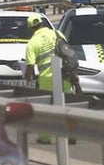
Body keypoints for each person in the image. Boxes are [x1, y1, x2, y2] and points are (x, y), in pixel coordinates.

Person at [23, 14, 74, 144]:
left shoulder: (32, 43)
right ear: (42, 23)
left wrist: (28, 78)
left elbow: (30, 65)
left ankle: (45, 137)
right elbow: (69, 55)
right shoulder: (58, 34)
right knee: (67, 108)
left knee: (45, 110)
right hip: (64, 76)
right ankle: (71, 135)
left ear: (30, 28)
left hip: (46, 80)